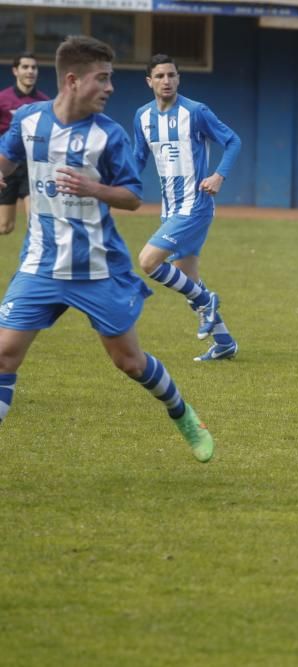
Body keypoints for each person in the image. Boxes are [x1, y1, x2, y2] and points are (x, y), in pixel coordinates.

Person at [0, 36, 214, 462]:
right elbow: (6, 160)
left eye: (111, 79)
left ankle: (182, 412)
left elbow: (133, 197)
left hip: (97, 268)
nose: (111, 87)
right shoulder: (27, 122)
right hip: (40, 264)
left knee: (130, 363)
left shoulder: (108, 135)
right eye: (103, 79)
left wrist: (94, 188)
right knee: (4, 355)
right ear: (73, 81)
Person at [132, 53, 241, 362]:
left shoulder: (196, 112)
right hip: (169, 207)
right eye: (160, 76)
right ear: (149, 82)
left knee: (149, 261)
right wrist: (119, 182)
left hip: (195, 205)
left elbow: (233, 141)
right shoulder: (142, 116)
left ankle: (207, 301)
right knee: (186, 279)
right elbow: (138, 157)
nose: (166, 81)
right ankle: (224, 342)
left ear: (178, 78)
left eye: (171, 75)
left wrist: (219, 175)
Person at [0, 53, 49, 235]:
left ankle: (33, 262)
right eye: (25, 67)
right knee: (4, 226)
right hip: (7, 165)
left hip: (32, 167)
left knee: (34, 223)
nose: (30, 71)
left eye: (34, 67)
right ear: (15, 70)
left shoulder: (45, 103)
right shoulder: (2, 99)